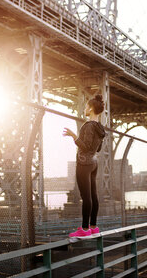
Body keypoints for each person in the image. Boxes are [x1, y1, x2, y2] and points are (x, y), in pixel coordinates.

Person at [63, 94, 106, 238]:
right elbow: (97, 149)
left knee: (86, 197)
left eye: (87, 106)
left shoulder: (88, 126)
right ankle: (93, 227)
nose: (85, 109)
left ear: (92, 108)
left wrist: (74, 136)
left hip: (83, 162)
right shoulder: (100, 127)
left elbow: (86, 146)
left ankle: (85, 229)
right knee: (93, 195)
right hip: (94, 163)